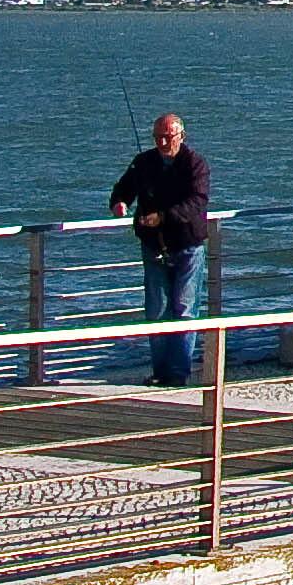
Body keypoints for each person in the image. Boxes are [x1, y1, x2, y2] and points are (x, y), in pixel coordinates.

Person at [110, 115, 213, 388]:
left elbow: (197, 202)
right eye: (158, 137)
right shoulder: (144, 162)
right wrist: (119, 203)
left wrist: (163, 217)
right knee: (156, 309)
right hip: (154, 245)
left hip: (187, 246)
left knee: (184, 309)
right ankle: (160, 371)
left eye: (168, 136)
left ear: (182, 136)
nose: (163, 142)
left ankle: (177, 373)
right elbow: (124, 187)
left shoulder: (195, 164)